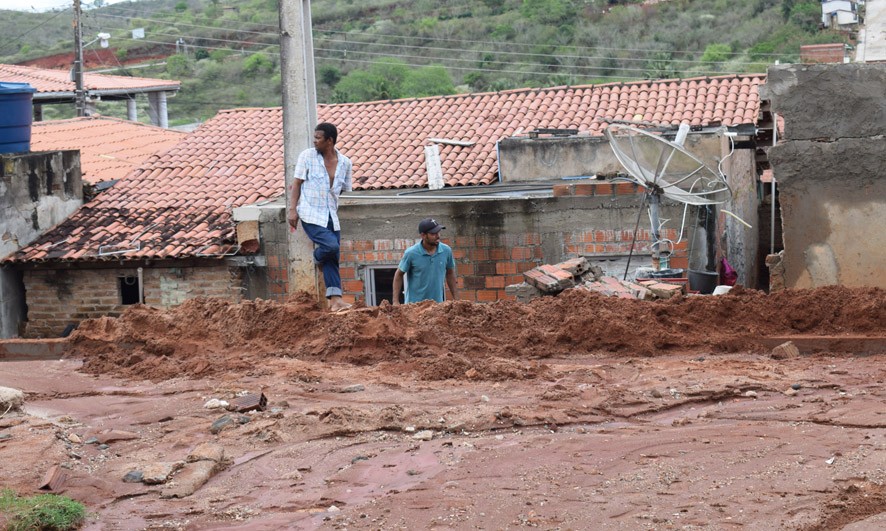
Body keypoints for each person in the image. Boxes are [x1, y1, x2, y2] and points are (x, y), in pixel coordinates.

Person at [287, 122, 353, 312]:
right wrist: (293, 209)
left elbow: (345, 191)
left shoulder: (345, 163)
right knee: (330, 247)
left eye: (318, 138)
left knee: (333, 256)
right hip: (310, 212)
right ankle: (317, 257)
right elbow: (297, 183)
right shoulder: (307, 156)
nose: (314, 141)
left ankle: (336, 301)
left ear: (329, 141)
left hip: (331, 214)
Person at [393, 218, 458, 305]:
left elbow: (450, 273)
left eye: (438, 232)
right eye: (433, 234)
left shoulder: (446, 251)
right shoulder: (411, 253)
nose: (438, 236)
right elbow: (399, 274)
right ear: (423, 235)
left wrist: (456, 299)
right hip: (415, 307)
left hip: (437, 306)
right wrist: (395, 301)